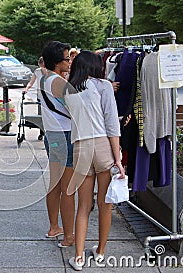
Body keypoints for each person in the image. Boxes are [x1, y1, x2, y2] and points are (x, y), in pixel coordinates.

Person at [63, 50, 125, 271]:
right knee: (104, 204)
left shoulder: (68, 91)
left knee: (84, 206)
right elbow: (111, 124)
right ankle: (100, 252)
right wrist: (118, 159)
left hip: (80, 147)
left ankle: (78, 258)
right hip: (102, 147)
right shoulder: (103, 86)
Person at [40, 41, 75, 248]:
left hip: (52, 135)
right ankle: (69, 236)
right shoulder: (60, 83)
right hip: (65, 136)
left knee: (55, 184)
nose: (70, 61)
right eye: (66, 58)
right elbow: (78, 107)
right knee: (68, 188)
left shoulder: (45, 79)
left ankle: (54, 227)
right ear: (56, 61)